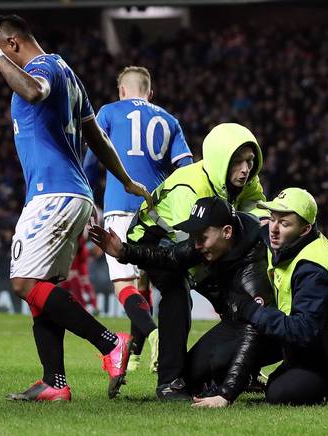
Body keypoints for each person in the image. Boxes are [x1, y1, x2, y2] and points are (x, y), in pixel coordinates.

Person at [0, 14, 152, 402]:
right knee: (43, 287)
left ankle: (109, 342)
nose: (5, 64)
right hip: (74, 194)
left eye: (6, 53)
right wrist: (123, 178)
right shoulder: (69, 74)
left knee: (23, 284)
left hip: (51, 193)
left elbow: (34, 91)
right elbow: (98, 137)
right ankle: (54, 382)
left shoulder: (42, 68)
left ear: (13, 44)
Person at [126, 122, 268, 400]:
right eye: (236, 161)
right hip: (152, 239)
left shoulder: (247, 181)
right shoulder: (189, 188)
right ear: (219, 161)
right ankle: (169, 382)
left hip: (198, 240)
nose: (245, 169)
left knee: (235, 294)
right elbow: (188, 250)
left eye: (249, 161)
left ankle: (243, 369)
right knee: (177, 289)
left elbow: (257, 215)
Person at [90, 196, 274, 404]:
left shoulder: (253, 267)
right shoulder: (213, 239)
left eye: (201, 238)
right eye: (194, 237)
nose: (196, 245)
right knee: (190, 377)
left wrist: (226, 394)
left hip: (270, 330)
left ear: (227, 232)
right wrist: (124, 252)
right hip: (237, 319)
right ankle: (241, 375)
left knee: (227, 360)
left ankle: (255, 375)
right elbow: (171, 257)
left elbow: (255, 330)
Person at [226, 188, 328, 405]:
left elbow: (302, 331)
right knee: (278, 380)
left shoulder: (313, 269)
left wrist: (251, 310)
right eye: (273, 218)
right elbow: (255, 225)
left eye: (284, 224)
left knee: (280, 393)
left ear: (305, 230)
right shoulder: (288, 240)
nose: (273, 229)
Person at [83, 66, 193, 379]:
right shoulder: (169, 120)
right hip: (156, 212)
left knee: (124, 284)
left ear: (121, 91)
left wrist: (88, 197)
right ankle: (135, 355)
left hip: (120, 206)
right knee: (144, 281)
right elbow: (185, 168)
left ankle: (154, 335)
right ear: (150, 93)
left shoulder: (107, 112)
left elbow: (93, 159)